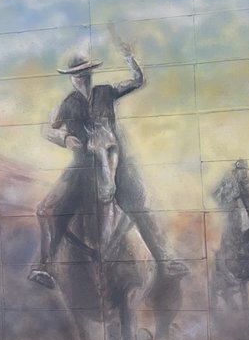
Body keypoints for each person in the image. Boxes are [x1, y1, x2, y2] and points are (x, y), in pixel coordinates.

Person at [29, 43, 188, 289]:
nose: (82, 77)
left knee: (140, 204)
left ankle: (165, 259)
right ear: (71, 77)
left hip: (115, 163)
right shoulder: (67, 104)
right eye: (78, 74)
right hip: (81, 168)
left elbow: (137, 80)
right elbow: (45, 128)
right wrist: (64, 138)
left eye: (86, 72)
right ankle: (45, 265)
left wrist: (128, 56)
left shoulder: (106, 92)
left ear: (91, 74)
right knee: (46, 210)